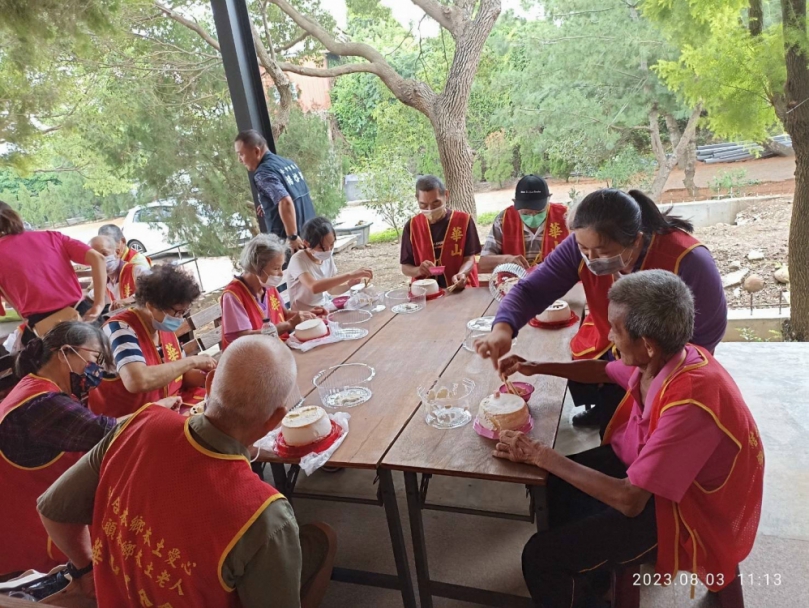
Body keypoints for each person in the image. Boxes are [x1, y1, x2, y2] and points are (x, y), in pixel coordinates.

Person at [495, 270, 763, 608]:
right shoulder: (667, 356)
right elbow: (604, 371)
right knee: (554, 484)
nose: (609, 336)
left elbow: (629, 500)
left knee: (539, 558)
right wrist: (537, 365)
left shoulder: (691, 402)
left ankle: (583, 579)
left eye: (616, 330)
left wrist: (540, 454)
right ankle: (591, 577)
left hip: (683, 509)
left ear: (647, 344)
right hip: (647, 472)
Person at [38, 336, 337, 607]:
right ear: (275, 420)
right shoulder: (263, 512)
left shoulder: (139, 424)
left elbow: (52, 508)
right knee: (322, 536)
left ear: (208, 386)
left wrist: (86, 568)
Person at [476, 188, 727, 434]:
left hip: (666, 364)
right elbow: (532, 290)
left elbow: (702, 340)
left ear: (636, 240)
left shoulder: (689, 261)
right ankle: (603, 408)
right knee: (599, 382)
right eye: (584, 250)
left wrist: (648, 375)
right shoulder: (585, 242)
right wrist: (503, 329)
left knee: (638, 429)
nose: (591, 259)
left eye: (603, 252)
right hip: (616, 343)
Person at [0, 322, 115, 574]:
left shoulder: (35, 386)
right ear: (66, 352)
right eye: (95, 357)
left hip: (32, 523)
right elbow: (105, 433)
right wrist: (154, 414)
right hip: (33, 542)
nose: (96, 368)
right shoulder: (43, 404)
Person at [88, 264, 216, 418]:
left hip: (171, 405)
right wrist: (193, 361)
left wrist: (212, 376)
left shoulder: (161, 325)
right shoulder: (119, 329)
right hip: (131, 420)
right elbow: (137, 381)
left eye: (185, 312)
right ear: (152, 306)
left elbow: (179, 374)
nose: (180, 318)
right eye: (177, 312)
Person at [0, 201, 107, 332]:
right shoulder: (51, 237)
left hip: (45, 329)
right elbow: (98, 258)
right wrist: (99, 304)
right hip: (83, 316)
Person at [221, 234, 317, 348]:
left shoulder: (267, 286)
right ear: (256, 268)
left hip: (278, 348)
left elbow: (284, 315)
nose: (281, 273)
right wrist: (289, 324)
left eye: (281, 267)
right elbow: (243, 338)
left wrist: (309, 314)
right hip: (252, 358)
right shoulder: (233, 295)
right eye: (276, 268)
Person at [234, 129, 315, 252]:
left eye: (241, 154)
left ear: (256, 151)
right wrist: (269, 204)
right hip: (311, 235)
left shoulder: (263, 173)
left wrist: (292, 237)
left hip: (291, 246)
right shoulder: (287, 163)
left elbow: (285, 201)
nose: (239, 160)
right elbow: (296, 196)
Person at [400, 175, 481, 290]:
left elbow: (470, 258)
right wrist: (418, 270)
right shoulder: (412, 226)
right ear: (417, 200)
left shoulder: (464, 220)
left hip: (459, 288)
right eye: (423, 205)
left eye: (436, 203)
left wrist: (462, 273)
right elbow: (405, 267)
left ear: (446, 195)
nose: (430, 209)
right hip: (426, 291)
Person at [479, 175, 569, 273]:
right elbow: (483, 262)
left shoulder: (566, 217)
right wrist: (506, 259)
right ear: (515, 203)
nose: (533, 216)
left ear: (549, 200)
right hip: (514, 283)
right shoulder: (504, 219)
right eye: (525, 213)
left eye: (539, 212)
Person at [286, 217, 373, 312]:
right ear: (307, 244)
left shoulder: (326, 256)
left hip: (324, 308)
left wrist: (349, 285)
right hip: (304, 316)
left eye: (331, 244)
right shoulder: (298, 260)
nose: (328, 250)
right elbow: (314, 287)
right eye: (322, 247)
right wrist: (350, 275)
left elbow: (331, 289)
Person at [87, 235, 149, 312]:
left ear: (117, 253)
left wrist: (126, 300)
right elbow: (89, 298)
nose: (99, 260)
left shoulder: (137, 270)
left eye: (104, 254)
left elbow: (155, 289)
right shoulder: (105, 280)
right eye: (93, 257)